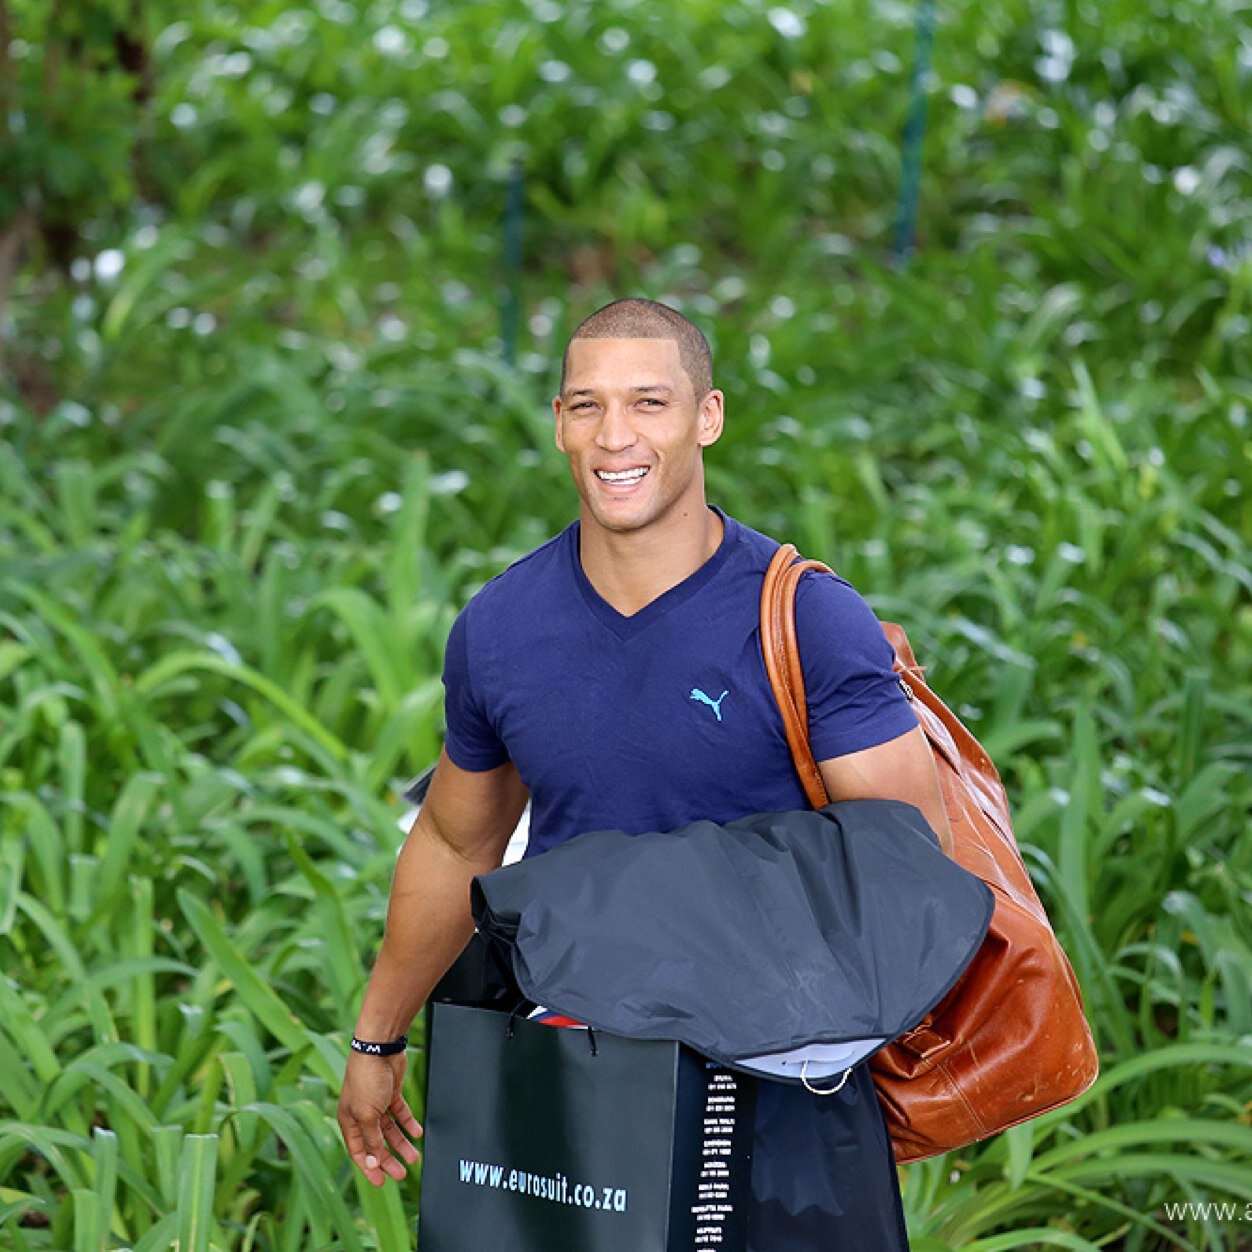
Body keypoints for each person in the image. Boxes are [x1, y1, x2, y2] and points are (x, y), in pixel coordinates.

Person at [337, 297, 953, 1248]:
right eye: (586, 406)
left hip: (789, 1076)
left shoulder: (807, 620)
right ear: (557, 423)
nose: (614, 436)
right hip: (584, 1075)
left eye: (649, 403)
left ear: (707, 416)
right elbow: (459, 840)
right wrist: (378, 1037)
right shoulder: (500, 630)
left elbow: (909, 867)